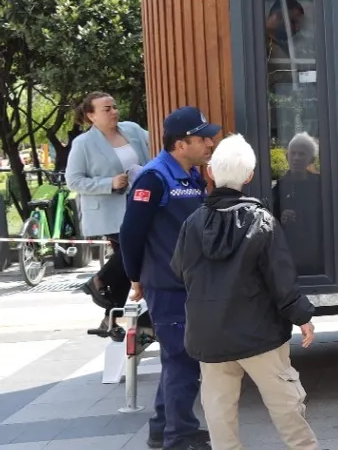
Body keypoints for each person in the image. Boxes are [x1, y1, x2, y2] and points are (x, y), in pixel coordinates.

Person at [171, 135, 319, 450]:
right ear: (249, 176)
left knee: (218, 412)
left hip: (209, 335)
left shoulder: (192, 224)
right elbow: (281, 279)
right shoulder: (263, 221)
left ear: (210, 172)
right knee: (285, 403)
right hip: (259, 332)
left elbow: (179, 271)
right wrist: (302, 316)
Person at [120, 106, 220, 450]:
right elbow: (131, 233)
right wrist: (135, 277)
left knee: (178, 359)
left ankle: (163, 428)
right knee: (181, 360)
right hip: (168, 286)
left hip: (188, 283)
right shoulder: (154, 178)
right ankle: (179, 438)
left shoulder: (189, 175)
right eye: (202, 138)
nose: (210, 143)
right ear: (180, 144)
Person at [66, 92, 151, 331]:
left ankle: (109, 316)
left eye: (114, 107)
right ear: (91, 116)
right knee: (133, 252)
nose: (114, 111)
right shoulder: (83, 143)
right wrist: (109, 183)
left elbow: (157, 144)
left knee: (128, 260)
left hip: (140, 206)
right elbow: (74, 181)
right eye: (107, 109)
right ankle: (101, 281)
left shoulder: (132, 130)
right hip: (110, 211)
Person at [272, 133, 323, 276]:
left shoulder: (321, 185)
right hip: (288, 257)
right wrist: (281, 218)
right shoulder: (278, 188)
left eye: (301, 154)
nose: (296, 158)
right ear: (286, 156)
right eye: (293, 153)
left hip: (318, 259)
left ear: (311, 159)